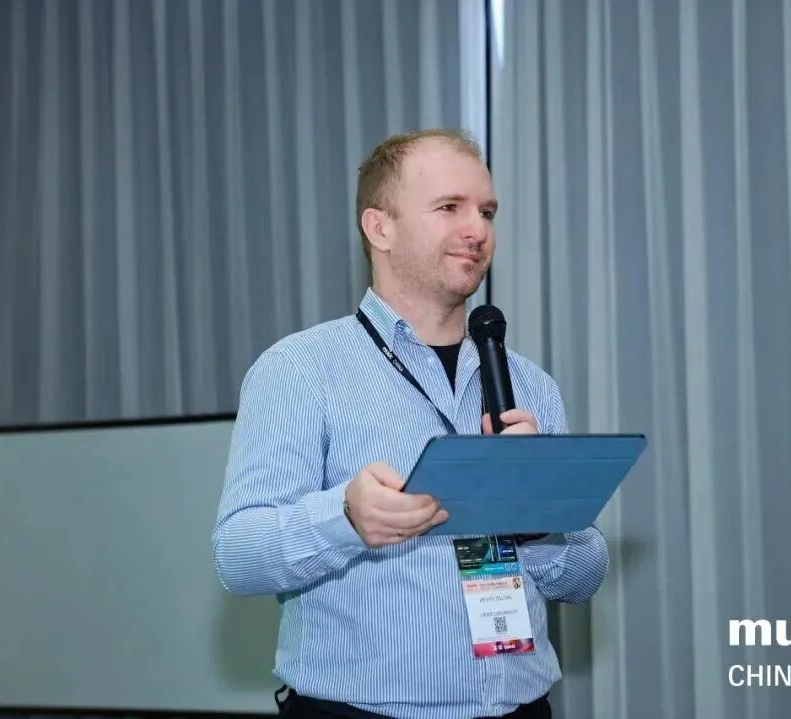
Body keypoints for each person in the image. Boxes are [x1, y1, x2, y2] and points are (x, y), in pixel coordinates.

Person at [212, 129, 609, 719]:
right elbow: (238, 555)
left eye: (486, 212)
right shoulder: (300, 368)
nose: (477, 230)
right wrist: (344, 519)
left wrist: (535, 519)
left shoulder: (529, 385)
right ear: (380, 228)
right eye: (449, 208)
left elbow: (584, 575)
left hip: (522, 709)